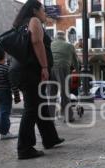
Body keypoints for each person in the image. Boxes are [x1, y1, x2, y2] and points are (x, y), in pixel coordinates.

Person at [11, 0, 64, 159]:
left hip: (20, 70)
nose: (45, 13)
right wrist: (44, 67)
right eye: (43, 10)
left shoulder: (20, 24)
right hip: (30, 71)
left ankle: (50, 138)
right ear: (35, 10)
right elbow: (36, 42)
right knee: (32, 109)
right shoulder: (33, 21)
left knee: (40, 105)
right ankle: (25, 148)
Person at [0, 47, 20, 139]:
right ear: (3, 56)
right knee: (4, 112)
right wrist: (17, 96)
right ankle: (5, 133)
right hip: (4, 92)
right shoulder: (6, 68)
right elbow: (12, 83)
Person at [49, 31, 79, 122]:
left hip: (50, 69)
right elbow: (75, 62)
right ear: (64, 37)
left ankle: (50, 118)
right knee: (65, 93)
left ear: (56, 37)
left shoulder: (50, 45)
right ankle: (68, 117)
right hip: (63, 69)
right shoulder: (70, 46)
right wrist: (78, 71)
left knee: (51, 94)